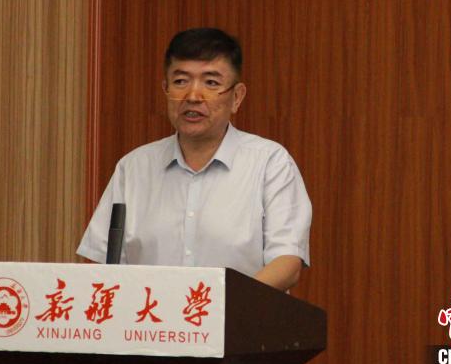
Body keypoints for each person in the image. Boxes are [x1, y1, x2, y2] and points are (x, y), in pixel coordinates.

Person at [77, 28, 311, 291]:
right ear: (166, 89)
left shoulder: (270, 163)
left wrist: (219, 307)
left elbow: (287, 263)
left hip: (238, 316)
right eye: (181, 81)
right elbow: (102, 265)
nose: (192, 96)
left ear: (237, 97)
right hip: (149, 317)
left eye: (211, 83)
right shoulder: (133, 168)